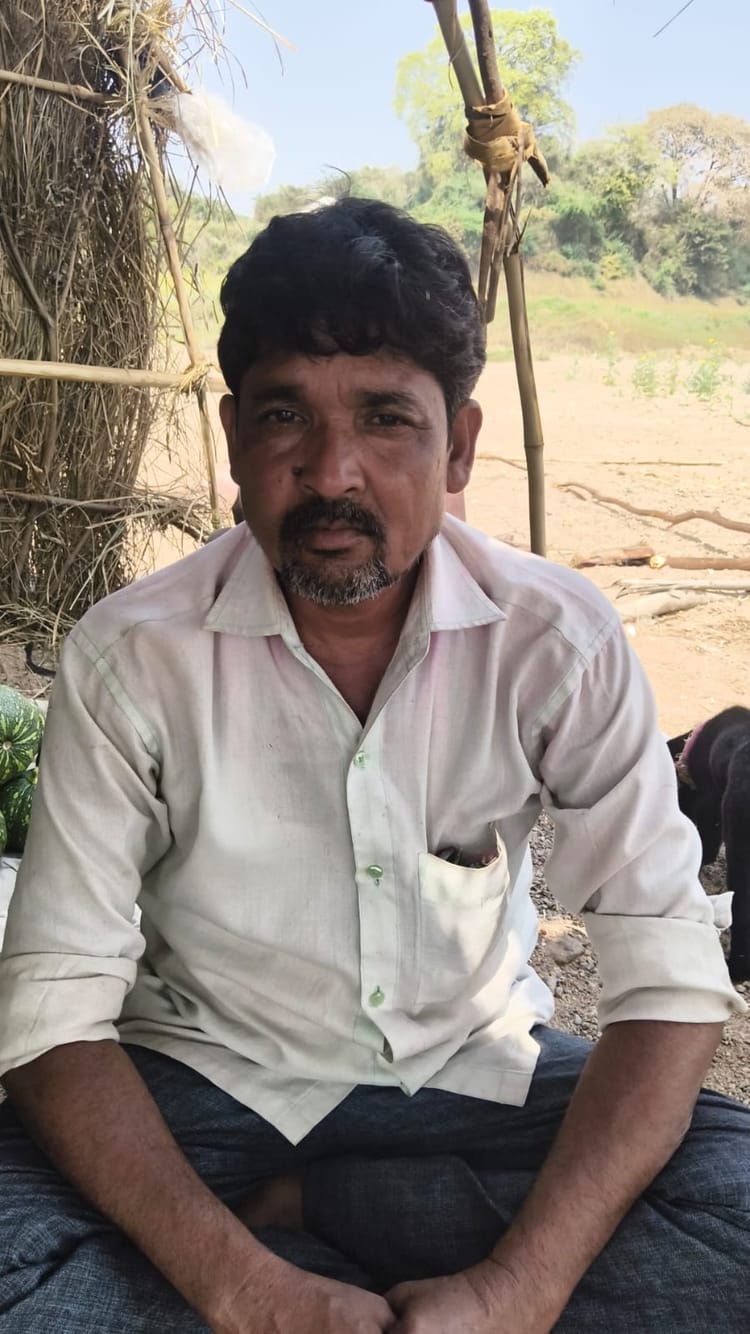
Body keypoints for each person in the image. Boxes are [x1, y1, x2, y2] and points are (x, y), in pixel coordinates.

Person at [0, 197, 748, 1334]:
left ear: (461, 445)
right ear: (234, 437)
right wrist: (246, 1289)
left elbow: (670, 982)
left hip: (475, 1082)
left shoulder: (557, 642)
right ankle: (316, 1253)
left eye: (387, 417)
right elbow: (51, 1014)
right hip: (205, 1085)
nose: (332, 471)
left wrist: (520, 1287)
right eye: (284, 415)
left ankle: (319, 1214)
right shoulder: (132, 656)